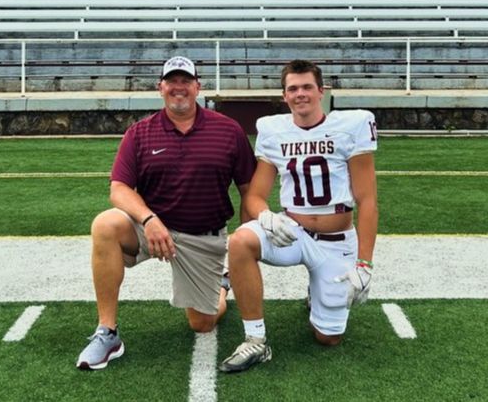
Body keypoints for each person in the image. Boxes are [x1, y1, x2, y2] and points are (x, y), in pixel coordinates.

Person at [77, 56, 257, 370]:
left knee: (203, 323)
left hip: (203, 237)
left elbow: (248, 190)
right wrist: (148, 219)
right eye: (172, 81)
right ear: (160, 88)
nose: (178, 87)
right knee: (105, 224)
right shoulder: (140, 133)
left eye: (185, 81)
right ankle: (107, 332)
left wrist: (249, 238)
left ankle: (221, 287)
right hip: (152, 229)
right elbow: (119, 188)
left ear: (198, 87)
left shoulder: (228, 131)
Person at [219, 59, 378, 373]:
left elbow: (367, 200)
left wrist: (365, 263)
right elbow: (254, 195)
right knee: (240, 242)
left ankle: (316, 293)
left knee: (328, 338)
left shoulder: (352, 125)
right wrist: (265, 217)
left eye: (307, 87)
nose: (300, 94)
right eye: (293, 88)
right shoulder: (273, 129)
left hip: (336, 240)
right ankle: (256, 340)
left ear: (321, 91)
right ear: (284, 95)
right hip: (292, 232)